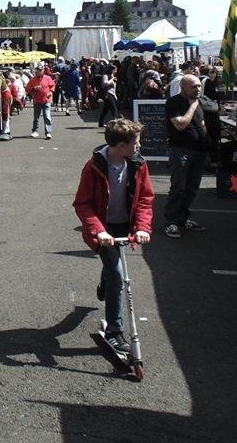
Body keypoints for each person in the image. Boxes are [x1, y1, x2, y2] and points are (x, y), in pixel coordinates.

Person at [73, 118, 154, 353]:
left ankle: (107, 280)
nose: (139, 147)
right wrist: (98, 230)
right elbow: (83, 204)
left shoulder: (138, 165)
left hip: (124, 227)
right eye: (136, 143)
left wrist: (142, 227)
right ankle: (114, 331)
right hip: (104, 228)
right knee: (118, 275)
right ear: (121, 146)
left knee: (113, 273)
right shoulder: (93, 167)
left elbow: (145, 200)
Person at [163, 74, 208, 238]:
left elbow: (202, 124)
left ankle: (183, 218)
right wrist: (192, 106)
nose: (198, 89)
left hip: (199, 151)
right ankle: (171, 222)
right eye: (193, 86)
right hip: (181, 150)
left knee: (191, 188)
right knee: (178, 187)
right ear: (183, 88)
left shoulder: (198, 102)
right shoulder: (175, 102)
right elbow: (180, 124)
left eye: (199, 86)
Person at [25, 65, 55, 139]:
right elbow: (27, 88)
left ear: (43, 71)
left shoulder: (47, 78)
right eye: (37, 70)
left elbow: (53, 85)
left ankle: (48, 132)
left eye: (39, 70)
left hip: (46, 100)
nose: (38, 71)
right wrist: (34, 88)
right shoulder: (32, 79)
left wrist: (51, 92)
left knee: (47, 116)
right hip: (37, 100)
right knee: (36, 117)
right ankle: (35, 131)